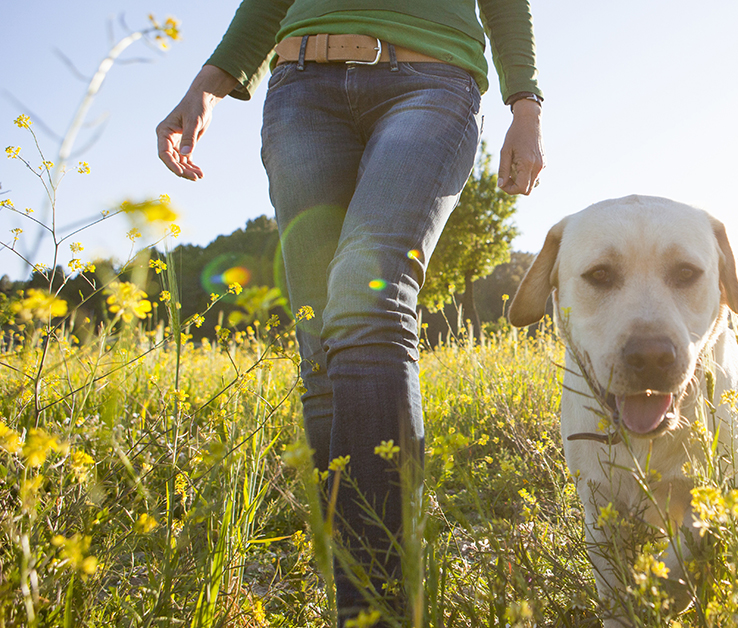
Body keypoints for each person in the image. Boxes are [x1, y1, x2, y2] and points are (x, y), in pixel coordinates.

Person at [155, 1, 543, 623]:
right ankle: (355, 601)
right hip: (300, 88)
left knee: (369, 302)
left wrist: (525, 103)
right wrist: (208, 86)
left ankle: (381, 609)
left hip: (431, 82)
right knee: (321, 345)